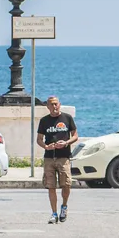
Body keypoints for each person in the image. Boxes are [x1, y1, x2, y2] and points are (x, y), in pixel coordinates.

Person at [36, 96, 79, 224]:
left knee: (66, 184)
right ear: (48, 107)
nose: (54, 107)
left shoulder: (67, 118)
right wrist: (46, 146)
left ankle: (64, 207)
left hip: (63, 156)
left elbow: (75, 135)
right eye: (51, 105)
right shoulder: (44, 121)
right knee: (51, 186)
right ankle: (54, 213)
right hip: (49, 158)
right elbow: (39, 139)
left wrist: (66, 142)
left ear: (59, 105)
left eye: (56, 104)